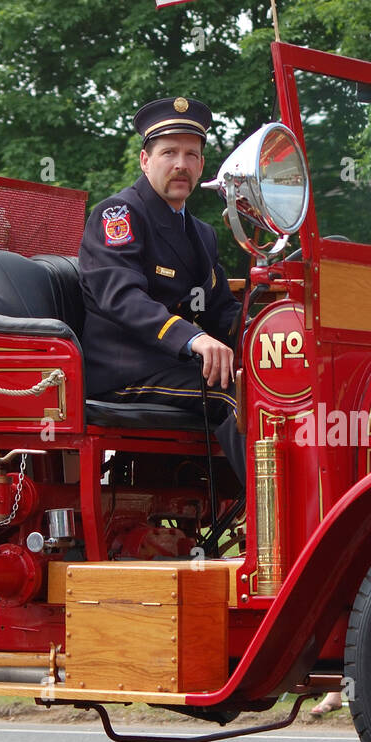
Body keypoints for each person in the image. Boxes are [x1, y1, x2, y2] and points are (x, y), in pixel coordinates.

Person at [79, 96, 244, 477]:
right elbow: (121, 297)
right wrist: (194, 339)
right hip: (125, 372)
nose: (181, 165)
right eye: (169, 152)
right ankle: (275, 526)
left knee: (278, 387)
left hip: (175, 367)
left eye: (191, 155)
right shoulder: (118, 215)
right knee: (238, 397)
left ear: (203, 165)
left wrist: (276, 339)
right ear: (145, 160)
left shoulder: (201, 233)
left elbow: (221, 311)